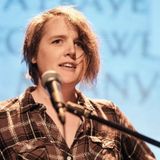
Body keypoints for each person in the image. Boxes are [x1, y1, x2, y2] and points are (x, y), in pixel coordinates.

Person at [0, 6, 156, 160]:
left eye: (79, 44)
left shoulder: (108, 115)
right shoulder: (4, 118)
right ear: (33, 53)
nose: (71, 51)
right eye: (57, 41)